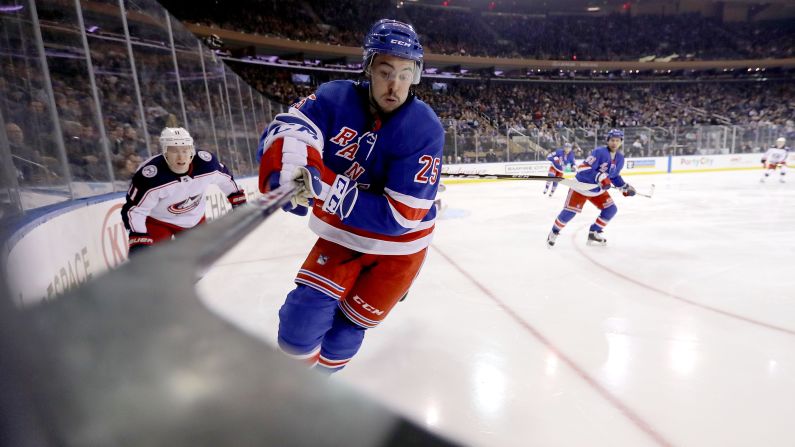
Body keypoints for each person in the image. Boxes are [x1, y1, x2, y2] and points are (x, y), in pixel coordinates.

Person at [257, 19, 444, 373]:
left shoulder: (425, 128)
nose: (395, 85)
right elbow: (291, 127)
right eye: (386, 71)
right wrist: (292, 156)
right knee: (300, 323)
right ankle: (288, 392)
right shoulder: (335, 98)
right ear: (368, 68)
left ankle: (318, 388)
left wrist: (321, 185)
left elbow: (399, 218)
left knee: (346, 331)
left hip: (399, 249)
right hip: (344, 234)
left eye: (406, 75)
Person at [121, 127, 246, 255]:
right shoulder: (150, 176)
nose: (181, 156)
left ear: (191, 150)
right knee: (152, 263)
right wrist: (138, 237)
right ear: (165, 152)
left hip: (194, 219)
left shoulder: (206, 164)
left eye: (185, 150)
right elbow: (135, 209)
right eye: (174, 151)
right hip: (159, 221)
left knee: (198, 267)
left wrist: (238, 200)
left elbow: (225, 180)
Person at [546, 129, 636, 247]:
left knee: (611, 209)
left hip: (597, 190)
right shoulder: (599, 152)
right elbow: (583, 168)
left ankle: (594, 232)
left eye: (617, 140)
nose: (615, 143)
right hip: (581, 186)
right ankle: (554, 232)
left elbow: (614, 176)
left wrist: (624, 187)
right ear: (608, 141)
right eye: (612, 140)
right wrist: (600, 177)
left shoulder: (620, 158)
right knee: (570, 212)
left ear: (621, 142)